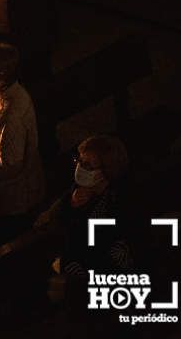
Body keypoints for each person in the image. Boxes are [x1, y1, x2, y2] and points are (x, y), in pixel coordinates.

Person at [34, 136, 133, 334]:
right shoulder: (76, 194)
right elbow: (42, 222)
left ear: (106, 171)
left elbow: (99, 249)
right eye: (79, 161)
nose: (80, 167)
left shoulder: (114, 202)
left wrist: (65, 265)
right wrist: (69, 206)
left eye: (88, 165)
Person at [0, 43, 44, 246]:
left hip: (14, 199)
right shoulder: (5, 95)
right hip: (13, 194)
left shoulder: (11, 112)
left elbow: (9, 164)